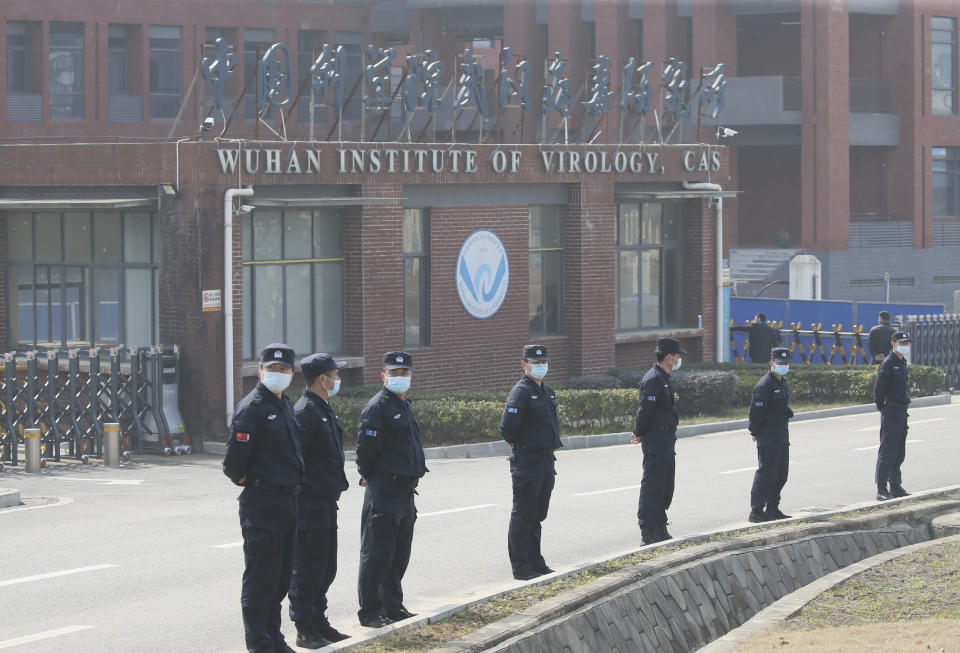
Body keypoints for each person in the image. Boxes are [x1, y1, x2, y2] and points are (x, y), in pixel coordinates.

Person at [222, 343, 303, 653]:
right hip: (262, 502)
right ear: (260, 370)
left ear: (292, 373)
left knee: (281, 577)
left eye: (283, 369)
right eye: (272, 369)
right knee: (261, 578)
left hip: (287, 501)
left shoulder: (284, 405)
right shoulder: (252, 408)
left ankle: (273, 637)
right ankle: (259, 643)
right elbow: (233, 463)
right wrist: (249, 478)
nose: (277, 374)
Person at [355, 351, 428, 628]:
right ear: (383, 376)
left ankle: (393, 605)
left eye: (404, 373)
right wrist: (369, 475)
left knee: (399, 553)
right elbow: (365, 451)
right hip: (384, 488)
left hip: (405, 491)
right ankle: (371, 611)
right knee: (376, 553)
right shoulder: (377, 407)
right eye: (394, 373)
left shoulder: (404, 405)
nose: (400, 378)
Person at [289, 353, 351, 648]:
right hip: (309, 503)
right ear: (321, 379)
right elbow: (296, 460)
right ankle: (304, 627)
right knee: (307, 567)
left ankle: (319, 620)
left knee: (326, 567)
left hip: (326, 501)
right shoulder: (305, 413)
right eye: (334, 375)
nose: (337, 379)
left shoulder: (323, 408)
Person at [499, 344, 562, 581]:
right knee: (524, 513)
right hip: (527, 459)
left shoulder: (547, 391)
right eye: (535, 363)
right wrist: (521, 444)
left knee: (538, 513)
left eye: (543, 362)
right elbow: (507, 429)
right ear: (524, 365)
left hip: (546, 458)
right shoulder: (521, 392)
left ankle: (536, 560)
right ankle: (521, 566)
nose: (540, 367)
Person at [632, 338, 685, 545]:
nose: (680, 359)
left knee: (665, 484)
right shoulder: (653, 379)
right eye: (678, 356)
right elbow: (645, 411)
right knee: (653, 484)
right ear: (669, 357)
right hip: (656, 438)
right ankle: (647, 528)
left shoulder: (664, 377)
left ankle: (660, 525)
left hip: (666, 438)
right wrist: (639, 432)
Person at [747, 347, 795, 523]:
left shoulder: (781, 382)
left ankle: (772, 508)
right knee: (766, 473)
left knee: (781, 473)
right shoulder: (764, 385)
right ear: (772, 363)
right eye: (780, 363)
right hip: (768, 432)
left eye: (786, 363)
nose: (783, 366)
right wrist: (755, 431)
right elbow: (756, 412)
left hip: (781, 432)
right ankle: (756, 511)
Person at [874, 331, 912, 501]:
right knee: (888, 451)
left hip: (902, 411)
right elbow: (879, 389)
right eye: (901, 343)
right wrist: (882, 407)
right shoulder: (888, 363)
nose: (904, 346)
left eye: (906, 343)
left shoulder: (902, 362)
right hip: (891, 410)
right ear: (893, 344)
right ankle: (881, 488)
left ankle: (895, 486)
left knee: (899, 451)